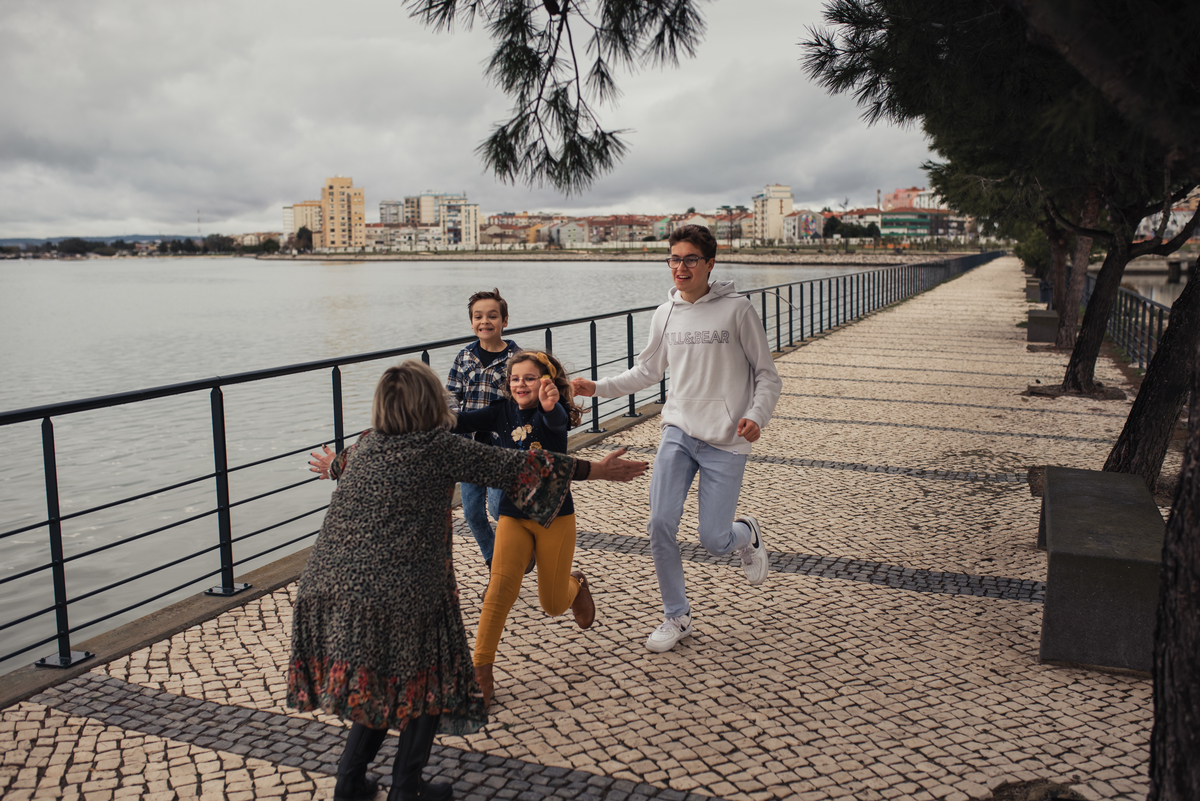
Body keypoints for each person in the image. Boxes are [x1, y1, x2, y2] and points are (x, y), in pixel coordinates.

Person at [291, 360, 646, 801]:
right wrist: (598, 470)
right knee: (429, 681)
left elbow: (343, 464)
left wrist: (331, 466)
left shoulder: (367, 444)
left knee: (378, 679)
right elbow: (523, 469)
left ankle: (350, 786)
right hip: (404, 591)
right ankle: (407, 789)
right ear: (430, 406)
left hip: (327, 585)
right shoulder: (440, 449)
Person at [572, 224, 782, 654]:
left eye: (690, 259)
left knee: (713, 540)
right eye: (674, 258)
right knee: (659, 524)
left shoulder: (738, 310)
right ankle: (676, 615)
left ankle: (746, 534)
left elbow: (767, 375)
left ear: (710, 263)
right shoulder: (664, 313)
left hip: (725, 438)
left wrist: (756, 416)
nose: (680, 267)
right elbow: (647, 372)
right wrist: (597, 387)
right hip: (679, 431)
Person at [452, 350, 592, 707]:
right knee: (498, 590)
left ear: (546, 382)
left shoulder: (552, 413)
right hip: (513, 514)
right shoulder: (501, 411)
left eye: (529, 378)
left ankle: (575, 587)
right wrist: (418, 416)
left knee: (552, 603)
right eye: (515, 379)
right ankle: (480, 671)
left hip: (553, 517)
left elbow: (556, 421)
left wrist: (550, 406)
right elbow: (460, 423)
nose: (521, 384)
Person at [446, 288, 520, 568]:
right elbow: (451, 395)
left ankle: (519, 552)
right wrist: (449, 418)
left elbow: (523, 402)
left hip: (503, 447)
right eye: (478, 316)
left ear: (505, 320)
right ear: (471, 321)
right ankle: (495, 562)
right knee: (473, 513)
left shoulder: (517, 358)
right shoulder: (464, 356)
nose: (484, 322)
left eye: (492, 316)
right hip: (469, 447)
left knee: (498, 508)